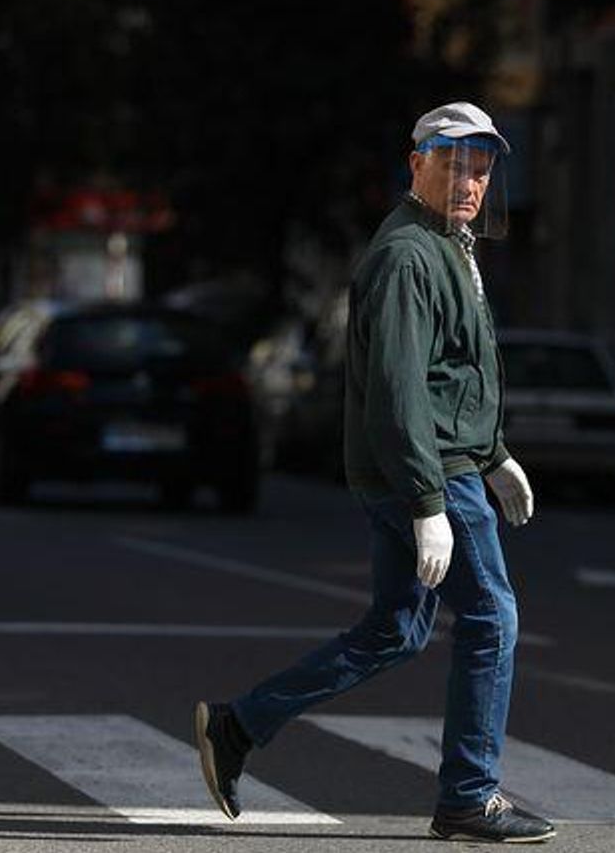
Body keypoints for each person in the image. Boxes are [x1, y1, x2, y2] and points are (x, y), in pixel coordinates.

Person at [195, 102, 554, 844]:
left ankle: (238, 727)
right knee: (492, 618)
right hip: (426, 474)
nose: (470, 180)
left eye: (481, 168)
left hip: (441, 465)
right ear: (416, 162)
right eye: (454, 163)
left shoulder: (448, 244)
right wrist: (429, 499)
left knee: (395, 630)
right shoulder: (406, 256)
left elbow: (450, 376)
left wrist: (496, 454)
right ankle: (468, 797)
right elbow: (397, 390)